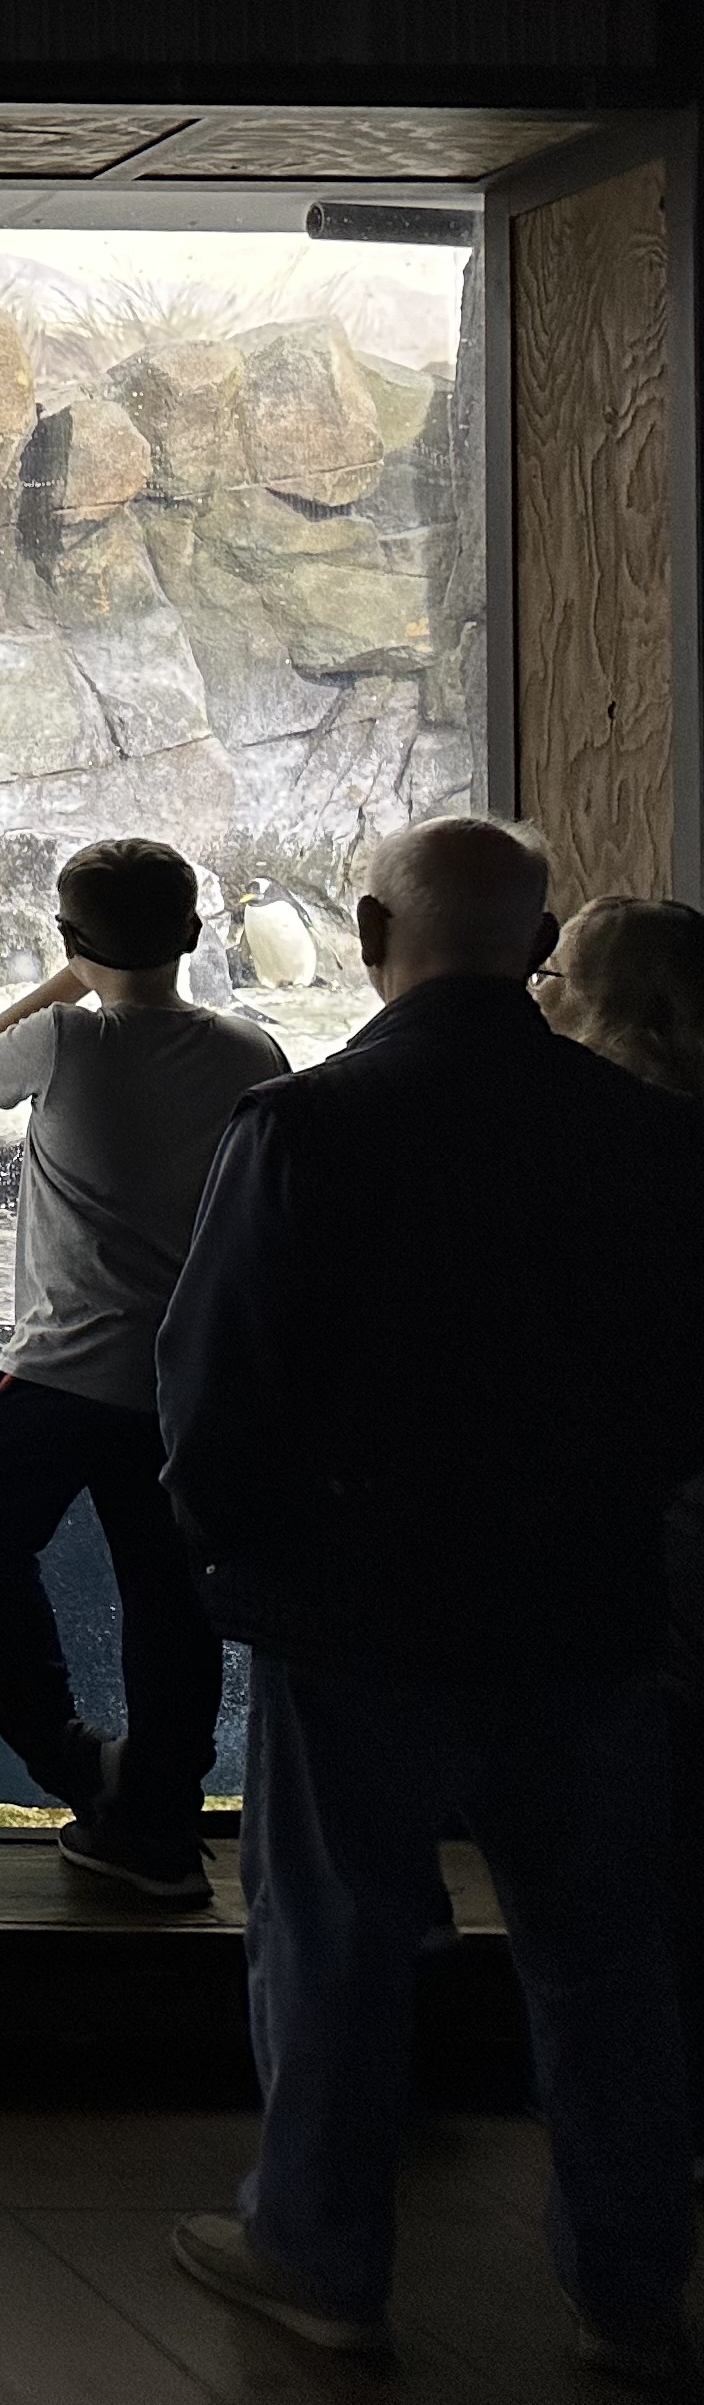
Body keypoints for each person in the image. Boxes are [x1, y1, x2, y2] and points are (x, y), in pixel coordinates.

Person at [160, 821, 704, 2380]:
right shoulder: (655, 1140)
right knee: (604, 1960)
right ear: (540, 951)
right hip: (588, 1611)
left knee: (334, 1939)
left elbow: (210, 1390)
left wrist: (242, 1561)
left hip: (359, 1615)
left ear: (370, 926)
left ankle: (319, 2251)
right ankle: (631, 2285)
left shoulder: (305, 1124)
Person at [0, 838, 286, 1905]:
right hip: (185, 1384)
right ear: (193, 934)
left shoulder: (64, 1046)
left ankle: (65, 1753)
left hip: (59, 1373)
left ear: (74, 942)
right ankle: (161, 1834)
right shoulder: (250, 1051)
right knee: (168, 1602)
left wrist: (71, 971)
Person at [533, 896, 704, 2155]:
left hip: (613, 1551)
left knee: (612, 1887)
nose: (539, 988)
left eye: (559, 974)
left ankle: (633, 2169)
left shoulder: (584, 1144)